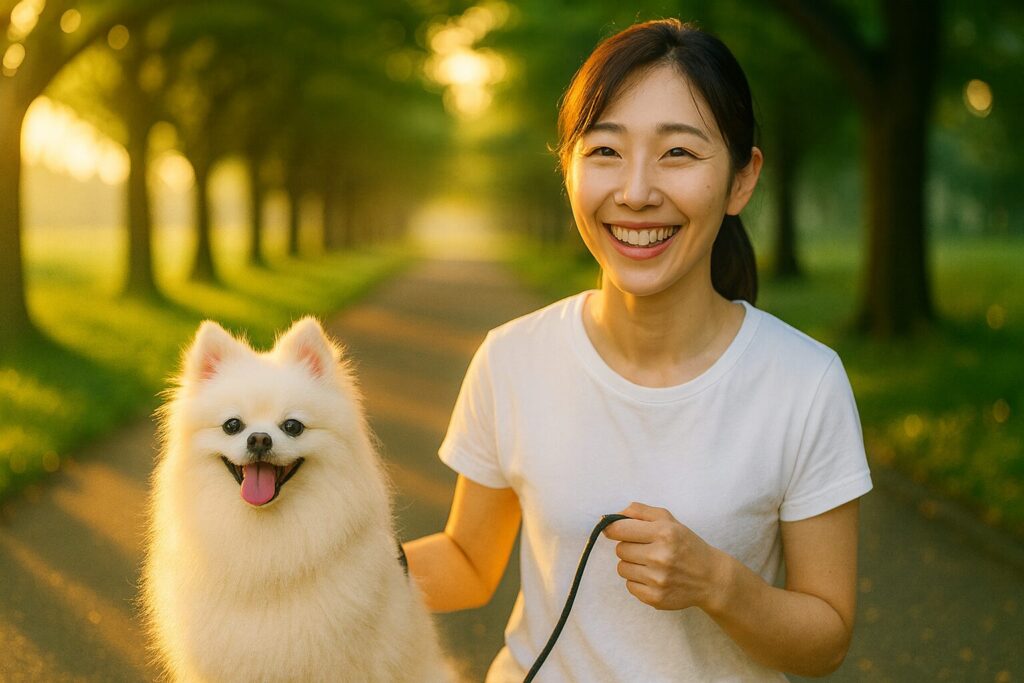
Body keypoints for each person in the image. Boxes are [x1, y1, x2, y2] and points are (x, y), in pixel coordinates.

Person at [403, 18, 872, 682]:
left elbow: (825, 640)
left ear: (742, 180)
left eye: (677, 153)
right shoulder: (511, 359)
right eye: (605, 151)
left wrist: (717, 582)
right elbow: (468, 562)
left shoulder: (805, 382)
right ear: (569, 170)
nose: (635, 192)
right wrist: (307, 574)